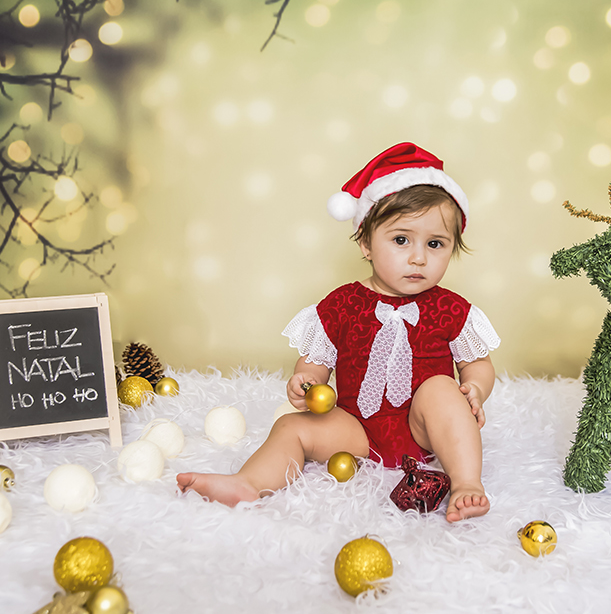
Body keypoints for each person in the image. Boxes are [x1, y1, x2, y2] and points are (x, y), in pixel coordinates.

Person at [177, 142, 500, 522]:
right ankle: (248, 483)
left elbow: (478, 364)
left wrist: (474, 389)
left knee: (441, 390)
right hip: (356, 430)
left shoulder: (451, 307)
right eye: (401, 240)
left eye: (435, 244)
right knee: (291, 427)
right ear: (365, 242)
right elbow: (315, 362)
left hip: (428, 431)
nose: (418, 257)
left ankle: (466, 483)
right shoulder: (343, 303)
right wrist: (307, 381)